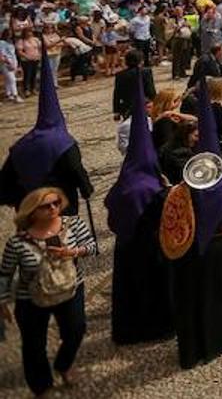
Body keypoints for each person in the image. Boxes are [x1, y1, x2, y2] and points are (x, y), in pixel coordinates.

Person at [170, 81, 222, 369]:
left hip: (190, 251)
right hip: (220, 248)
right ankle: (220, 338)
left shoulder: (178, 192)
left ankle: (192, 348)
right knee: (219, 296)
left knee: (193, 299)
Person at [0, 187, 99, 395]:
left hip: (70, 289)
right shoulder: (17, 243)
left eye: (56, 203)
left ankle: (64, 363)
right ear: (32, 211)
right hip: (31, 299)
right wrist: (3, 301)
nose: (53, 208)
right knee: (34, 344)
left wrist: (72, 251)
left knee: (76, 329)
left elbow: (92, 246)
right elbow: (5, 273)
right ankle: (41, 386)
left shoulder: (73, 224)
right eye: (46, 206)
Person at [103, 76, 174, 345]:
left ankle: (128, 330)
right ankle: (157, 328)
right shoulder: (149, 187)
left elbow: (111, 212)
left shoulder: (124, 183)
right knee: (151, 289)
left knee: (128, 290)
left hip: (126, 246)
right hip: (149, 246)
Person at [1, 58, 93, 217]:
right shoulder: (64, 142)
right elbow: (76, 169)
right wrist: (86, 189)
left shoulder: (21, 144)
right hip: (58, 204)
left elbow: (7, 175)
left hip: (29, 204)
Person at [112, 48, 157, 120]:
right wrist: (156, 102)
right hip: (144, 104)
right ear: (141, 61)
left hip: (127, 107)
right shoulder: (146, 72)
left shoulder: (120, 75)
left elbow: (117, 94)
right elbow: (150, 90)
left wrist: (116, 111)